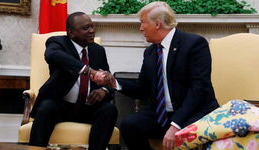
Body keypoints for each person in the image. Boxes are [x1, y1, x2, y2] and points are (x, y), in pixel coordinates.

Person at [92, 2, 219, 150]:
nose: (140, 28)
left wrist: (175, 125)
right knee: (130, 125)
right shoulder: (151, 52)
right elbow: (142, 89)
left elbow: (199, 89)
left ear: (157, 24)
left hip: (194, 112)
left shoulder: (194, 44)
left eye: (142, 23)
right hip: (163, 115)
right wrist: (113, 83)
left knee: (184, 134)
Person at [29, 12, 118, 150]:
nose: (92, 31)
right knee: (46, 108)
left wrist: (103, 90)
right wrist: (87, 70)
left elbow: (108, 79)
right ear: (71, 33)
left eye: (92, 27)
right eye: (86, 28)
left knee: (109, 109)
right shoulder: (57, 43)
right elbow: (52, 55)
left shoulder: (98, 50)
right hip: (60, 105)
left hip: (89, 107)